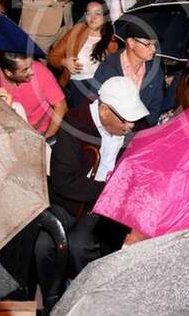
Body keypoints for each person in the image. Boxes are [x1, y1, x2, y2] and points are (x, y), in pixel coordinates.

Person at [35, 76, 149, 299]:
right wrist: (109, 189)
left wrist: (114, 193)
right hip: (70, 201)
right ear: (104, 110)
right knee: (43, 244)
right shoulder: (76, 124)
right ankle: (53, 300)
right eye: (125, 119)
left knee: (79, 245)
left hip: (108, 209)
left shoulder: (138, 131)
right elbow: (63, 181)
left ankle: (86, 299)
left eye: (133, 119)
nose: (130, 125)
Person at [49, 0, 118, 107]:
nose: (92, 18)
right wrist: (64, 62)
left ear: (105, 16)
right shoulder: (76, 31)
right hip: (75, 83)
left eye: (97, 14)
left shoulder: (111, 38)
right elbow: (53, 57)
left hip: (99, 85)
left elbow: (116, 68)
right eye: (88, 13)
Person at [94, 22, 164, 126]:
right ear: (131, 43)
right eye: (148, 43)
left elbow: (156, 107)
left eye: (155, 44)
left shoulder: (155, 71)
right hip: (111, 128)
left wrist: (139, 129)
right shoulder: (108, 68)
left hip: (141, 130)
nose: (153, 49)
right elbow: (95, 102)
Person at [0, 51, 67, 140]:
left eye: (31, 65)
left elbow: (61, 105)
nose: (32, 72)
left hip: (45, 129)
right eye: (25, 70)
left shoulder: (39, 70)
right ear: (9, 73)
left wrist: (47, 138)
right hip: (17, 133)